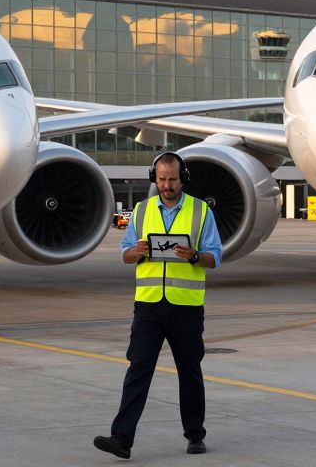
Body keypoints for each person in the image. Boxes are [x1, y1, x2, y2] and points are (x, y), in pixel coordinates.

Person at [94, 152, 222, 460]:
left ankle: (195, 435)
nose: (167, 185)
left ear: (183, 178)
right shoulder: (141, 210)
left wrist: (193, 255)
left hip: (185, 306)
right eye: (162, 179)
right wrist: (136, 252)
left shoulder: (200, 212)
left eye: (173, 179)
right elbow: (124, 253)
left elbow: (215, 257)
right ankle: (121, 439)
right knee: (138, 369)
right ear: (155, 177)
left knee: (189, 372)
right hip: (149, 306)